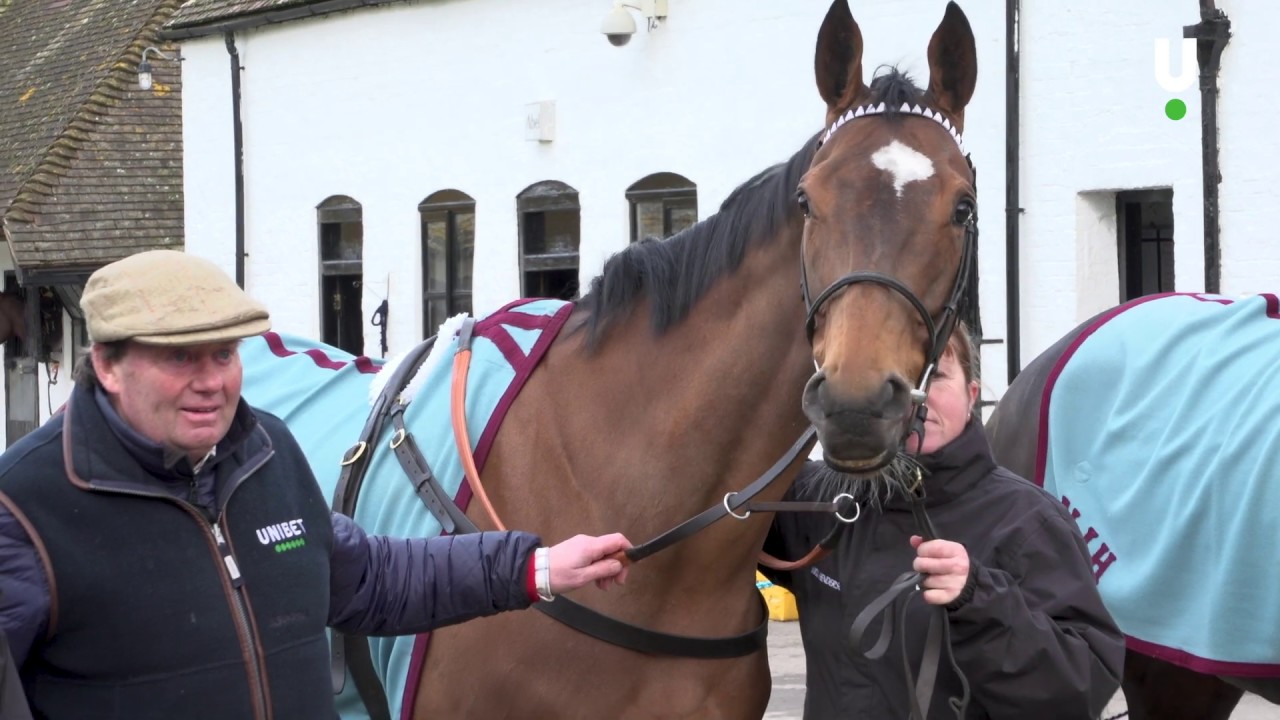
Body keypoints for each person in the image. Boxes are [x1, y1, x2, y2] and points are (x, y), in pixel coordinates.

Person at [0, 250, 633, 719]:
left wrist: (539, 567)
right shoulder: (26, 509)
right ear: (108, 364)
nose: (211, 381)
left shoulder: (263, 452)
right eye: (178, 358)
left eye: (223, 355)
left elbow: (369, 578)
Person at [762, 321, 1125, 719]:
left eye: (936, 376)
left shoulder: (1029, 522)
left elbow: (1080, 686)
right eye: (898, 378)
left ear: (971, 396)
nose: (919, 397)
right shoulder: (823, 501)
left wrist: (979, 599)